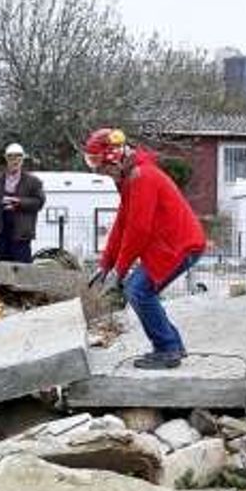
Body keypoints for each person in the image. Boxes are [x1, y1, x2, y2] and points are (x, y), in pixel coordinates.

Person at [84, 127, 205, 370]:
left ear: (113, 157)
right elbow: (123, 223)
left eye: (101, 166)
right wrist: (106, 263)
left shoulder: (141, 177)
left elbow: (138, 229)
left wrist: (120, 269)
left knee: (138, 291)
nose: (102, 172)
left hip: (178, 245)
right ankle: (172, 346)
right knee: (138, 290)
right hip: (171, 244)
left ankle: (168, 349)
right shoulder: (132, 177)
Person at [0, 143, 45, 263]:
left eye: (18, 157)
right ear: (6, 159)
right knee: (4, 266)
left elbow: (39, 202)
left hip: (22, 231)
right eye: (11, 157)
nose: (15, 161)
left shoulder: (33, 181)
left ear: (22, 159)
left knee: (23, 267)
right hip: (2, 229)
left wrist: (20, 202)